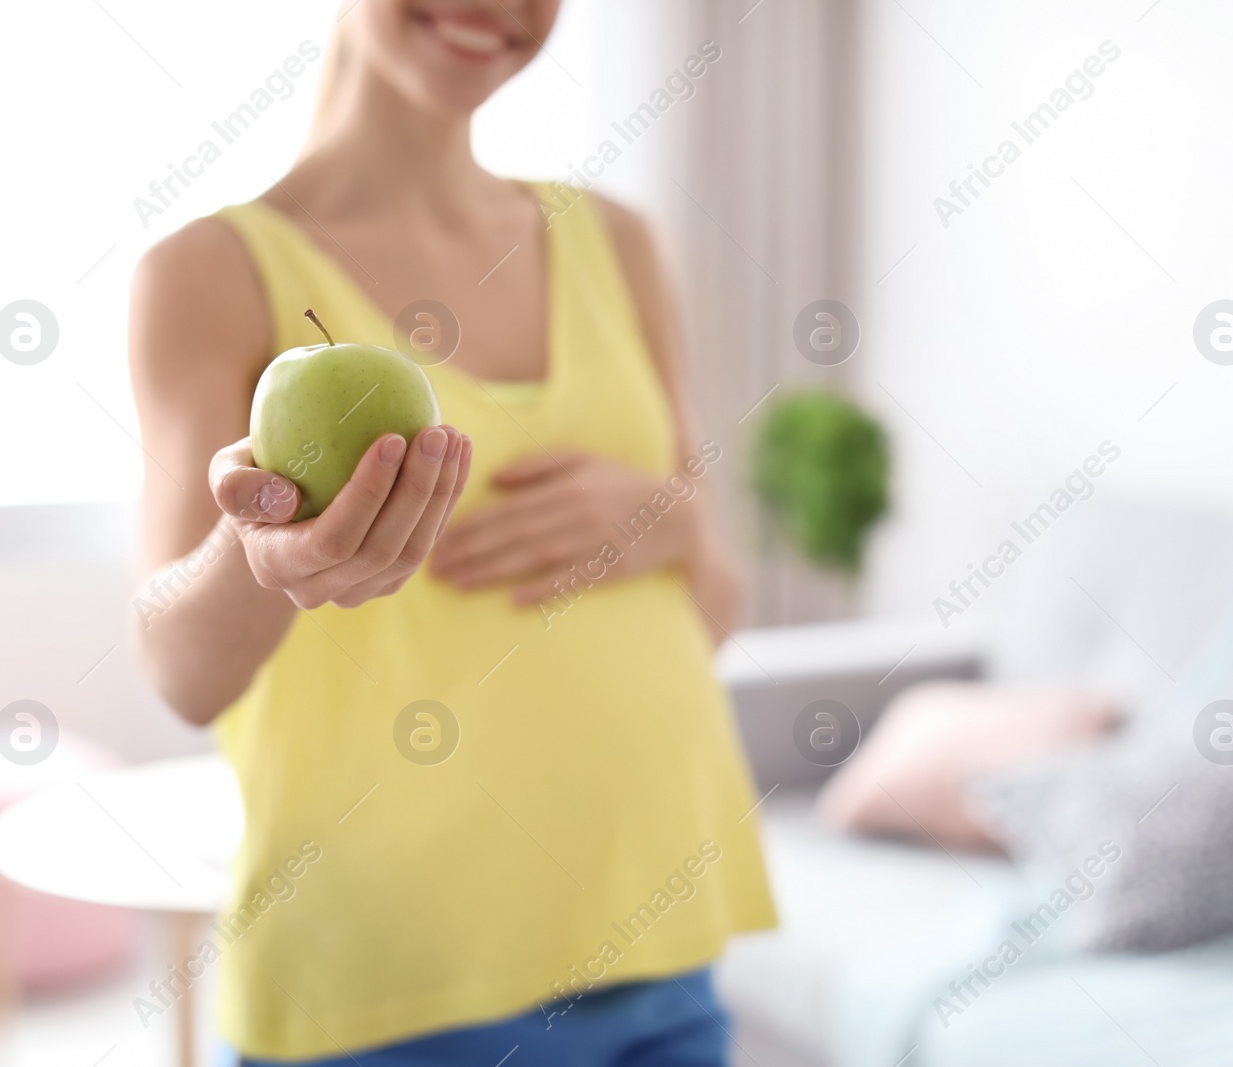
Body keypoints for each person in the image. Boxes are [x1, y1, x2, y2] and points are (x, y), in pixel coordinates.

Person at [128, 1, 774, 1063]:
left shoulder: (617, 241)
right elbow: (177, 668)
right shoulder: (212, 270)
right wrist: (261, 560)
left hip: (666, 936)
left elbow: (713, 613)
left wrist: (667, 520)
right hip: (396, 983)